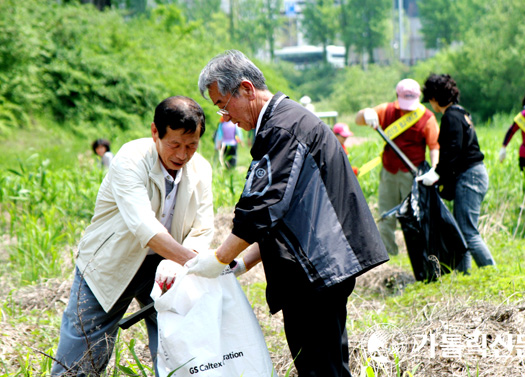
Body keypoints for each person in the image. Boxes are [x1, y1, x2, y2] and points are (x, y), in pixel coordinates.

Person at [191, 49, 388, 377]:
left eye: (223, 105)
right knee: (320, 366)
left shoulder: (284, 127)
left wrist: (220, 258)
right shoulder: (280, 122)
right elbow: (284, 211)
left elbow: (262, 205)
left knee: (321, 369)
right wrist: (244, 261)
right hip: (316, 266)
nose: (225, 117)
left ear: (247, 89)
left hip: (319, 268)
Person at [51, 96, 215, 376]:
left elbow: (202, 228)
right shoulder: (130, 159)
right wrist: (195, 263)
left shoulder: (200, 169)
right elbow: (145, 228)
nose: (182, 154)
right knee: (81, 358)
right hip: (111, 261)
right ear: (155, 132)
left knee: (178, 346)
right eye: (174, 144)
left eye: (191, 146)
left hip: (168, 265)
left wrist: (183, 263)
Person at [417, 73, 496, 273]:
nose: (431, 105)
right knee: (462, 229)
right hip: (473, 175)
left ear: (435, 98)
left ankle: (491, 272)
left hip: (470, 176)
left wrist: (436, 173)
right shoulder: (461, 113)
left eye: (431, 100)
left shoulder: (450, 116)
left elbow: (453, 150)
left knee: (468, 231)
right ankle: (464, 273)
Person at [355, 78, 440, 256]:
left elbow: (434, 146)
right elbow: (358, 120)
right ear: (397, 97)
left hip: (412, 174)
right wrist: (366, 112)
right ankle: (388, 255)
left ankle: (420, 256)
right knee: (386, 215)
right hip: (389, 171)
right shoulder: (386, 110)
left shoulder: (427, 118)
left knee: (415, 217)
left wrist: (435, 168)